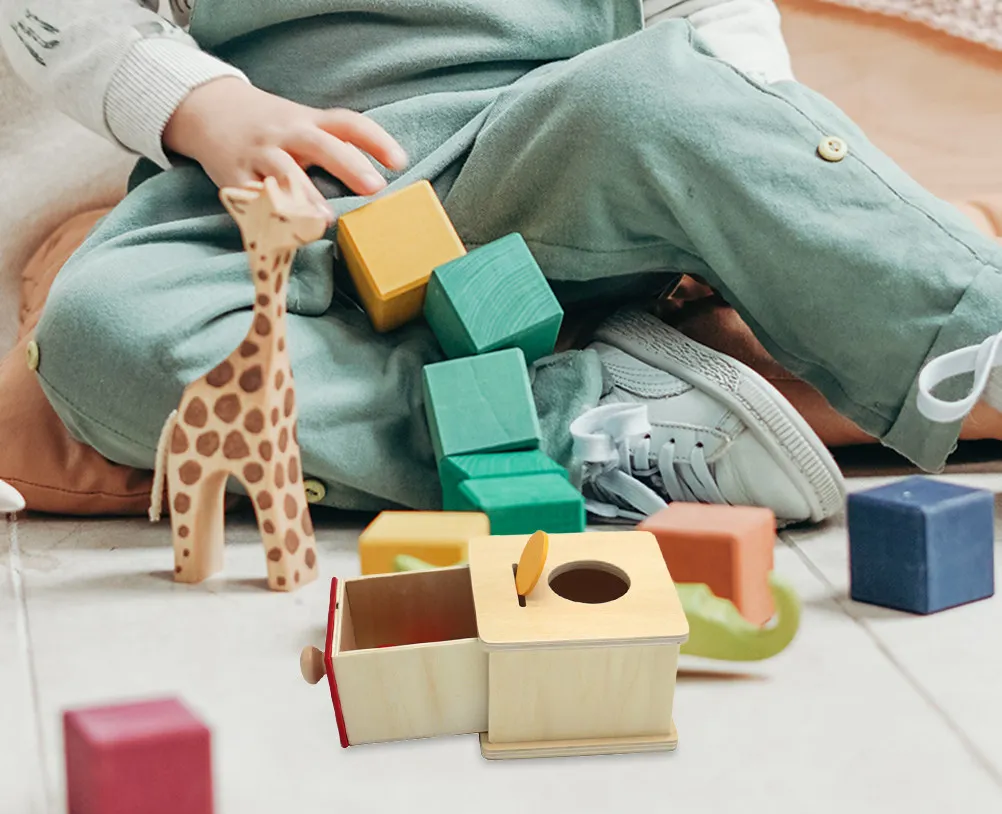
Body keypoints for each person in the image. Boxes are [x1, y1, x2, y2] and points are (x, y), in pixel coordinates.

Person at [2, 0, 999, 527]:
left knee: (671, 101)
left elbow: (715, 34)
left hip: (538, 156)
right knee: (101, 331)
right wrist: (201, 107)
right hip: (286, 186)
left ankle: (965, 333)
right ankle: (593, 423)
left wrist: (728, 199)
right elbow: (61, 14)